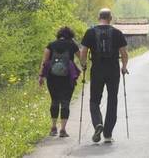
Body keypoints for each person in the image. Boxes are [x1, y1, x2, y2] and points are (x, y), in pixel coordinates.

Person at [80, 8, 128, 143]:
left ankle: (97, 124)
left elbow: (83, 51)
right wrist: (124, 67)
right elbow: (124, 53)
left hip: (97, 69)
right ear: (110, 18)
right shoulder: (117, 33)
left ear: (98, 17)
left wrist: (83, 65)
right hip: (113, 69)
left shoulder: (90, 32)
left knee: (94, 100)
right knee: (112, 100)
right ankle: (107, 134)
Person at [38, 27, 81, 138]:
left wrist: (41, 76)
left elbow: (44, 62)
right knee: (65, 102)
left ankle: (53, 128)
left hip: (52, 78)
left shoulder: (51, 45)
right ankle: (63, 129)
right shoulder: (72, 45)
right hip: (68, 78)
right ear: (70, 36)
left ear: (58, 35)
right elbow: (81, 58)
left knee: (55, 101)